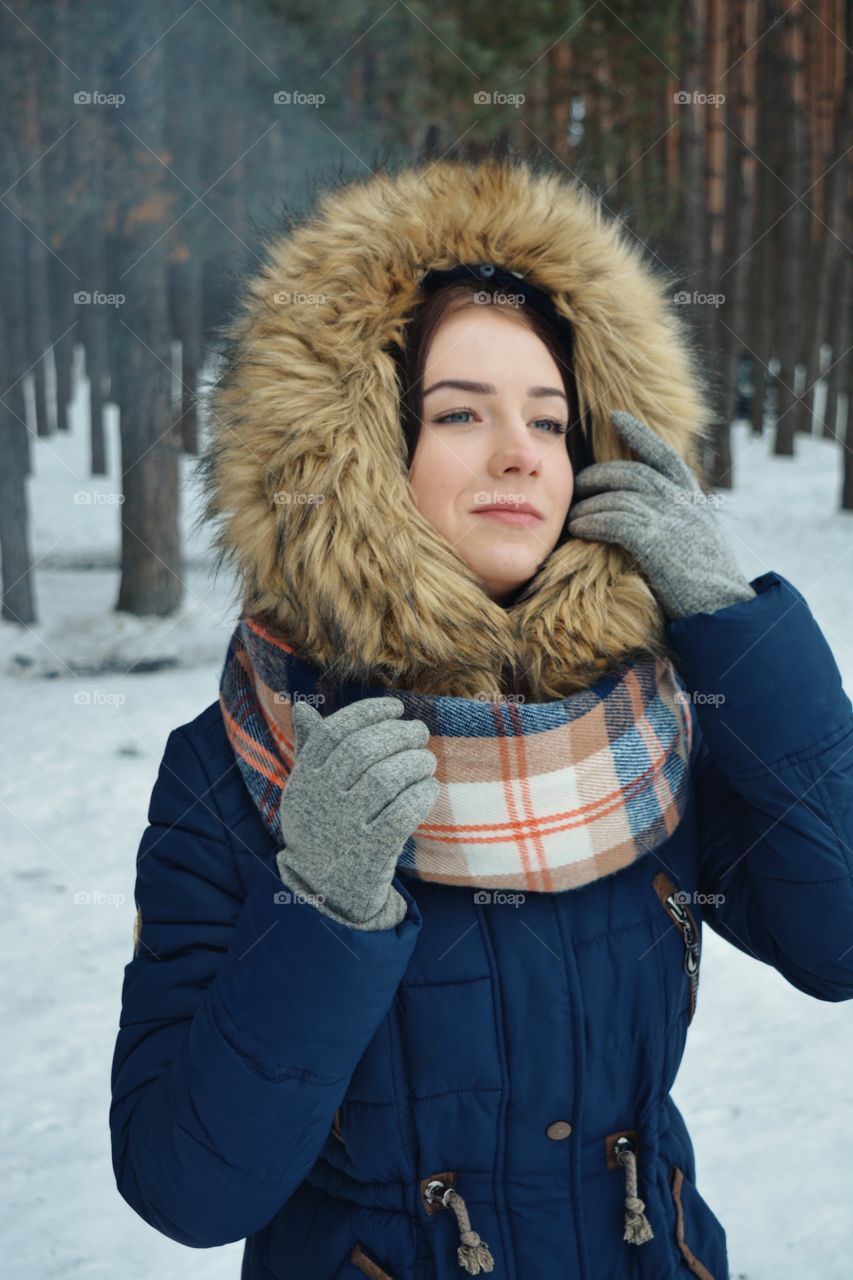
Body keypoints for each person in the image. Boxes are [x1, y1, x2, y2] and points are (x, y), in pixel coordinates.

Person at [109, 155, 853, 1280]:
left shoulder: (660, 720)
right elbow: (187, 1185)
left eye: (551, 420)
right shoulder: (235, 764)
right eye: (458, 411)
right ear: (352, 450)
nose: (519, 452)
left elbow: (836, 940)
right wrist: (321, 907)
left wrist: (732, 632)